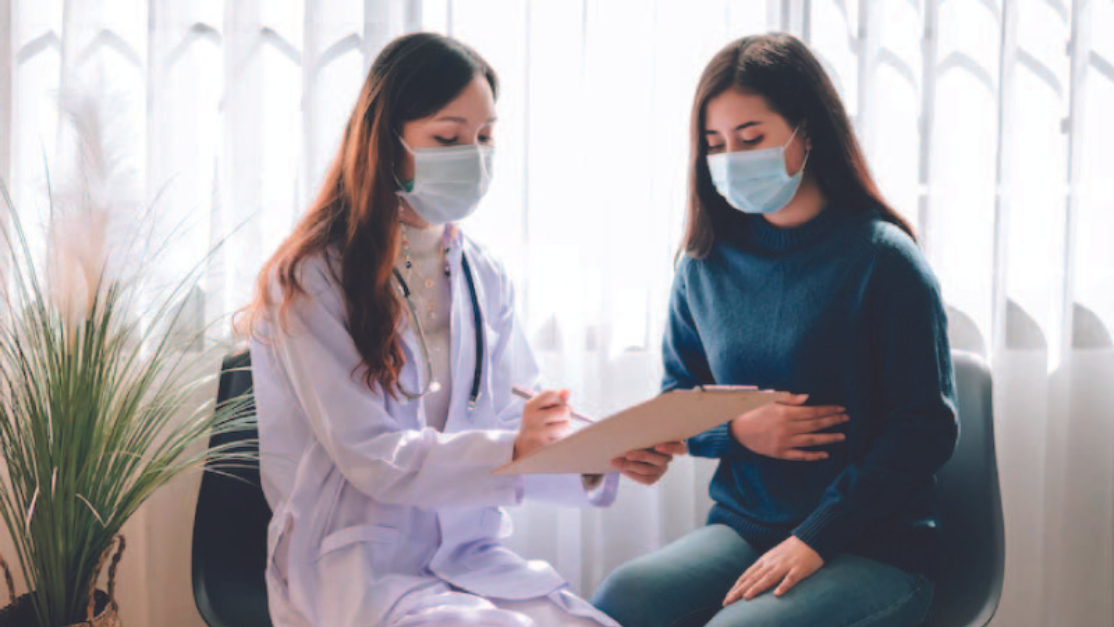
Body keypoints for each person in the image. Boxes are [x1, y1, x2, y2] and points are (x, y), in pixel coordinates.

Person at [244, 32, 685, 627]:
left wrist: (599, 456)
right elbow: (372, 457)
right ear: (386, 141)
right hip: (358, 567)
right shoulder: (309, 279)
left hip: (467, 557)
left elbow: (513, 421)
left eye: (485, 137)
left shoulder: (483, 275)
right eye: (448, 138)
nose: (473, 156)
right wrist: (516, 445)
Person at [591, 32, 958, 627]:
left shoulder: (883, 260)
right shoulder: (703, 264)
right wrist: (737, 430)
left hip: (871, 545)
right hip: (745, 529)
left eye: (752, 138)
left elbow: (926, 428)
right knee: (620, 600)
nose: (733, 158)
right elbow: (677, 399)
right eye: (716, 144)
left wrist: (818, 536)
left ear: (806, 133)